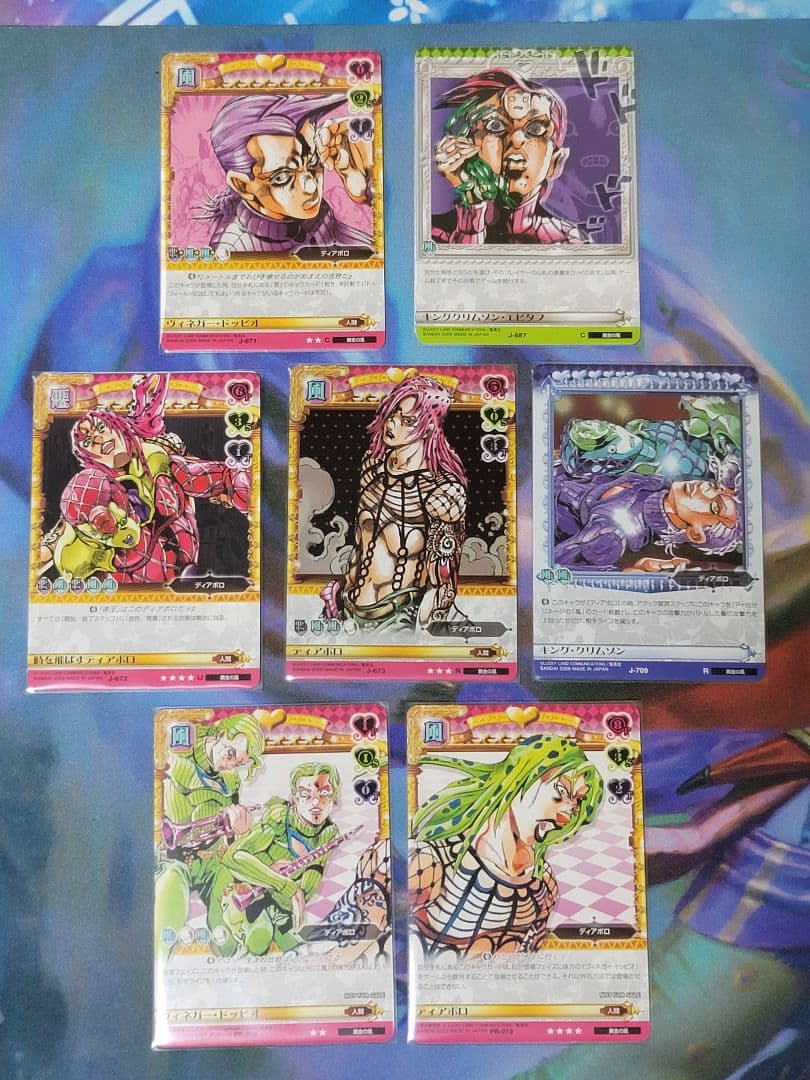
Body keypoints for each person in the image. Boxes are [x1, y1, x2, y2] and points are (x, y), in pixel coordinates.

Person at [39, 373, 250, 584]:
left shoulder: (158, 460)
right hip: (129, 587)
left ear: (118, 427)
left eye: (101, 429)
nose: (98, 439)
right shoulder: (91, 490)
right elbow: (60, 534)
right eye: (89, 443)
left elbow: (218, 477)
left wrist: (241, 491)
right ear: (90, 459)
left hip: (182, 575)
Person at [410, 734, 604, 958]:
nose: (569, 812)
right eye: (561, 791)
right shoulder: (431, 861)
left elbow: (527, 962)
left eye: (578, 800)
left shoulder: (544, 885)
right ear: (520, 779)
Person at [321, 374, 467, 630]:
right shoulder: (372, 467)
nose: (393, 424)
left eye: (408, 421)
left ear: (429, 428)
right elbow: (362, 547)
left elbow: (443, 579)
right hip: (345, 610)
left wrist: (427, 629)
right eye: (393, 415)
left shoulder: (444, 492)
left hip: (398, 619)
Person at [199, 93, 373, 257]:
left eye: (314, 161)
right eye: (283, 177)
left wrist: (369, 185)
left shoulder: (315, 219)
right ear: (242, 185)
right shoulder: (234, 251)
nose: (311, 187)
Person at [154, 712, 266, 961]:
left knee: (228, 913)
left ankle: (232, 956)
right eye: (231, 754)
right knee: (167, 907)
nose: (231, 764)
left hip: (213, 860)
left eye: (239, 762)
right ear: (221, 734)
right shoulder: (179, 757)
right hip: (175, 858)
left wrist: (238, 833)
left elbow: (229, 837)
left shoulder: (230, 780)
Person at [431, 68, 586, 245]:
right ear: (466, 145)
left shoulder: (567, 241)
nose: (516, 139)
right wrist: (471, 210)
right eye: (495, 126)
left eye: (536, 129)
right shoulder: (434, 235)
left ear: (554, 162)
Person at [218, 762, 342, 954]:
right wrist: (286, 886)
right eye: (305, 794)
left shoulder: (329, 834)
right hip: (244, 892)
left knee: (293, 945)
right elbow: (232, 857)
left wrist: (271, 879)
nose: (315, 803)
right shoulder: (279, 817)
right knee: (257, 942)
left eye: (324, 793)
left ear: (335, 797)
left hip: (279, 904)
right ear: (293, 798)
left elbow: (302, 895)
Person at [554, 468, 743, 571]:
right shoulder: (660, 483)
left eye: (715, 506)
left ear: (695, 533)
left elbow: (555, 566)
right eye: (716, 487)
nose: (705, 488)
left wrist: (625, 576)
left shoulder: (610, 539)